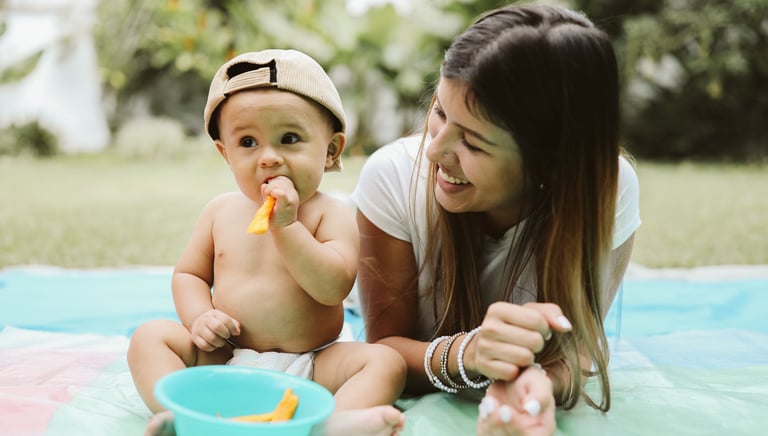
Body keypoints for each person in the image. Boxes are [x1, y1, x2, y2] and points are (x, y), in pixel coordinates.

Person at [352, 4, 641, 435]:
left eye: (471, 142)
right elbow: (383, 351)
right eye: (440, 112)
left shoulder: (606, 189)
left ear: (551, 165)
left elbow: (577, 346)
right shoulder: (392, 176)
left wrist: (538, 385)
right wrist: (468, 355)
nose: (434, 151)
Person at [127, 49, 406, 436]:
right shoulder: (219, 212)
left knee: (386, 363)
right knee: (149, 337)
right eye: (247, 142)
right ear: (225, 153)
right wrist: (200, 317)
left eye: (289, 139)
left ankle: (327, 425)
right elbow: (189, 274)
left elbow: (333, 287)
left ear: (330, 150)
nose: (269, 158)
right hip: (223, 359)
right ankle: (189, 416)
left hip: (312, 363)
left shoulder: (332, 213)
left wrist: (287, 227)